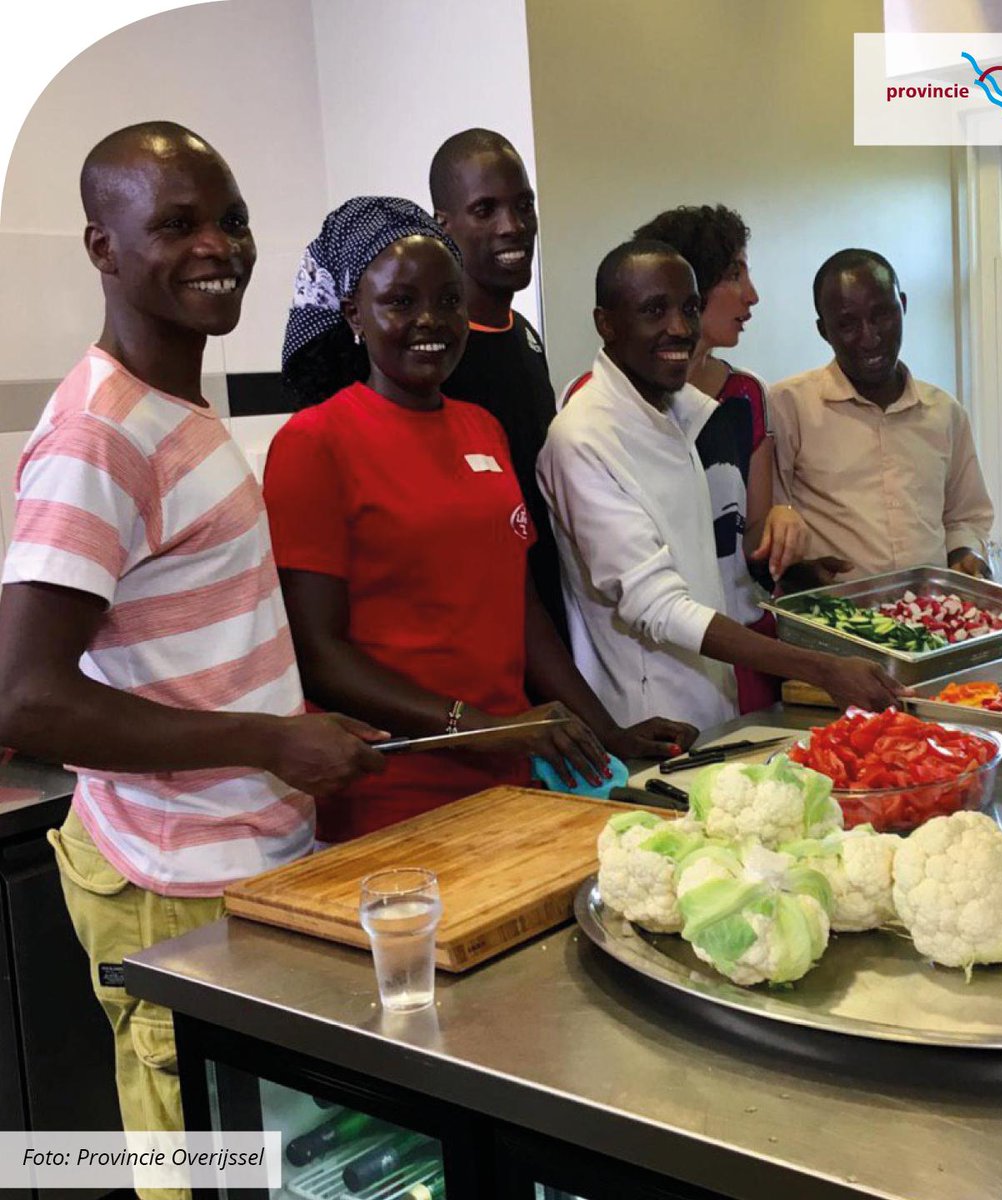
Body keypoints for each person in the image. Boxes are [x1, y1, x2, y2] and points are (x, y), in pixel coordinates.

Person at [0, 123, 386, 1162]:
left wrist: (287, 722)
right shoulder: (98, 434)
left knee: (275, 1155)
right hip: (168, 885)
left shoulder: (180, 407)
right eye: (177, 225)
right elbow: (23, 698)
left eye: (233, 221)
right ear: (102, 247)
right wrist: (266, 744)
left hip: (242, 860)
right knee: (205, 1165)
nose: (220, 247)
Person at [267, 199, 696, 842]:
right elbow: (318, 654)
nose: (430, 322)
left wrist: (604, 730)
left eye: (448, 300)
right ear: (355, 312)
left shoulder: (480, 427)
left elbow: (517, 609)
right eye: (401, 302)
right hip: (389, 797)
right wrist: (486, 727)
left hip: (504, 779)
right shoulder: (315, 442)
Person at [537, 239, 905, 732]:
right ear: (606, 323)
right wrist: (820, 668)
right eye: (654, 310)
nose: (679, 328)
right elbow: (657, 605)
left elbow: (713, 554)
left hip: (714, 701)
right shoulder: (582, 435)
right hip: (646, 719)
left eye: (689, 309)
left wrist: (791, 571)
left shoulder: (680, 409)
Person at [632, 203, 813, 713]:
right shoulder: (608, 407)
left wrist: (781, 520)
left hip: (746, 642)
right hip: (658, 657)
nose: (751, 294)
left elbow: (749, 539)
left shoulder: (745, 394)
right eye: (734, 273)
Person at [770, 248, 994, 580]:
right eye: (847, 324)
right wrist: (797, 571)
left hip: (930, 620)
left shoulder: (945, 413)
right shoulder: (787, 406)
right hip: (831, 620)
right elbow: (771, 523)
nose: (870, 337)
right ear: (823, 329)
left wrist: (966, 553)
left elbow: (966, 516)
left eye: (883, 315)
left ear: (903, 305)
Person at [429, 129, 568, 643]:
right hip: (478, 626)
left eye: (523, 206)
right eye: (485, 210)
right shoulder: (437, 357)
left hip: (546, 610)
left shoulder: (525, 336)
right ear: (443, 224)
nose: (513, 227)